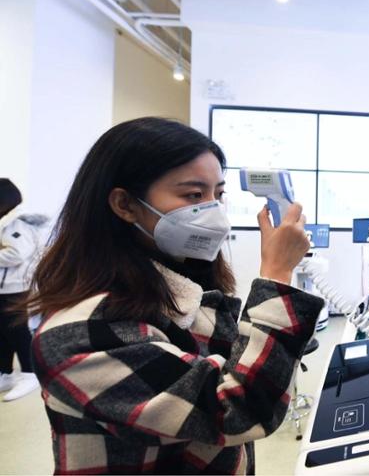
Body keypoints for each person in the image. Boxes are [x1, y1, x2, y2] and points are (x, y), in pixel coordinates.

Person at [23, 118, 323, 474]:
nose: (213, 211)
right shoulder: (78, 335)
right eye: (194, 195)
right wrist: (277, 274)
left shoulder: (182, 291)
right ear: (125, 204)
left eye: (218, 195)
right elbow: (238, 411)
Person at [0, 179, 49, 402]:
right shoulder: (5, 223)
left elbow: (17, 253)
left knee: (16, 330)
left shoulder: (17, 225)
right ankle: (6, 373)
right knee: (3, 332)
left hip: (15, 287)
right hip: (5, 287)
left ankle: (30, 373)